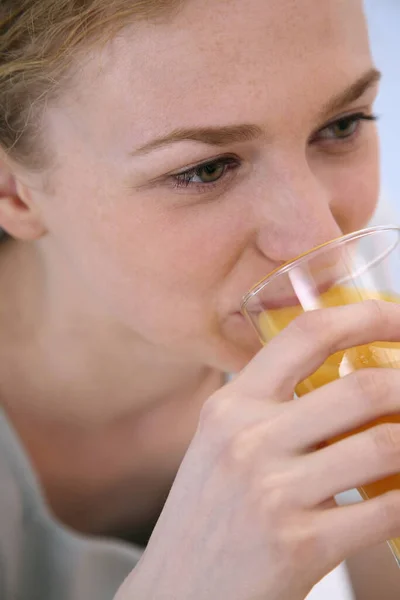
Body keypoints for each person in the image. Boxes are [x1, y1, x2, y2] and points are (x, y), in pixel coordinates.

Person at [1, 0, 400, 598]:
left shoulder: (372, 293)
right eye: (208, 170)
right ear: (15, 193)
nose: (321, 241)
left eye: (341, 126)